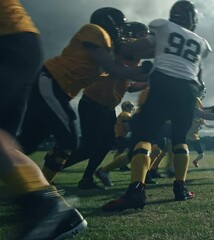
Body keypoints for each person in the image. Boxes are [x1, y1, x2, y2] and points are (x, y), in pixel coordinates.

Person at [102, 1, 214, 211]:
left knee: (143, 136)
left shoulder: (164, 26)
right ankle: (180, 188)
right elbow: (199, 72)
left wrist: (117, 45)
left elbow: (139, 47)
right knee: (179, 138)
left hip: (164, 81)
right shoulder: (202, 42)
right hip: (189, 88)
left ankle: (135, 191)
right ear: (193, 20)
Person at [17, 7, 150, 184]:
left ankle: (43, 183)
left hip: (63, 91)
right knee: (69, 139)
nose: (121, 31)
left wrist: (153, 74)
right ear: (110, 23)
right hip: (51, 81)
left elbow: (126, 75)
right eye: (119, 27)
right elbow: (115, 69)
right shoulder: (95, 31)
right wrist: (147, 69)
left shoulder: (110, 47)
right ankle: (41, 186)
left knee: (28, 142)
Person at [0, 1, 87, 238]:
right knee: (6, 143)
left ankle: (44, 207)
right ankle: (61, 214)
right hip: (20, 43)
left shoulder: (97, 36)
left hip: (9, 43)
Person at [62, 22, 150, 190]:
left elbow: (129, 85)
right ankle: (50, 170)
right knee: (89, 146)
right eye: (142, 36)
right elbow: (117, 70)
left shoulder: (133, 56)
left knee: (105, 144)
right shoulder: (121, 48)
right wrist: (144, 73)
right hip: (93, 101)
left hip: (107, 105)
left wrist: (149, 82)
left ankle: (87, 178)